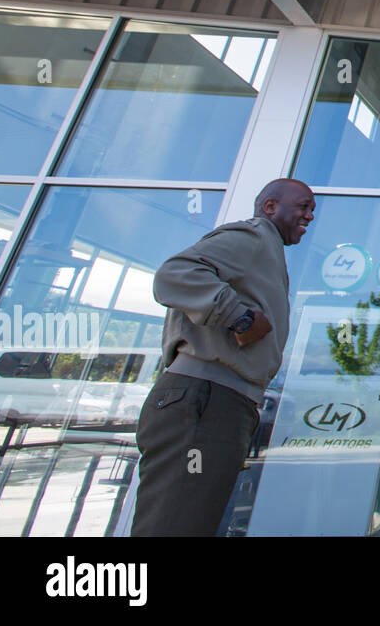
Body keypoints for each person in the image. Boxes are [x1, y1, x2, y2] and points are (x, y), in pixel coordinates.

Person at [132, 178, 315, 536]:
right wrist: (240, 317)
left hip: (219, 403)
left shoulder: (267, 249)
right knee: (175, 523)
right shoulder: (252, 237)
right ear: (270, 207)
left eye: (311, 209)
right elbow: (174, 275)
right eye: (303, 206)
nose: (309, 216)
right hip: (202, 401)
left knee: (192, 519)